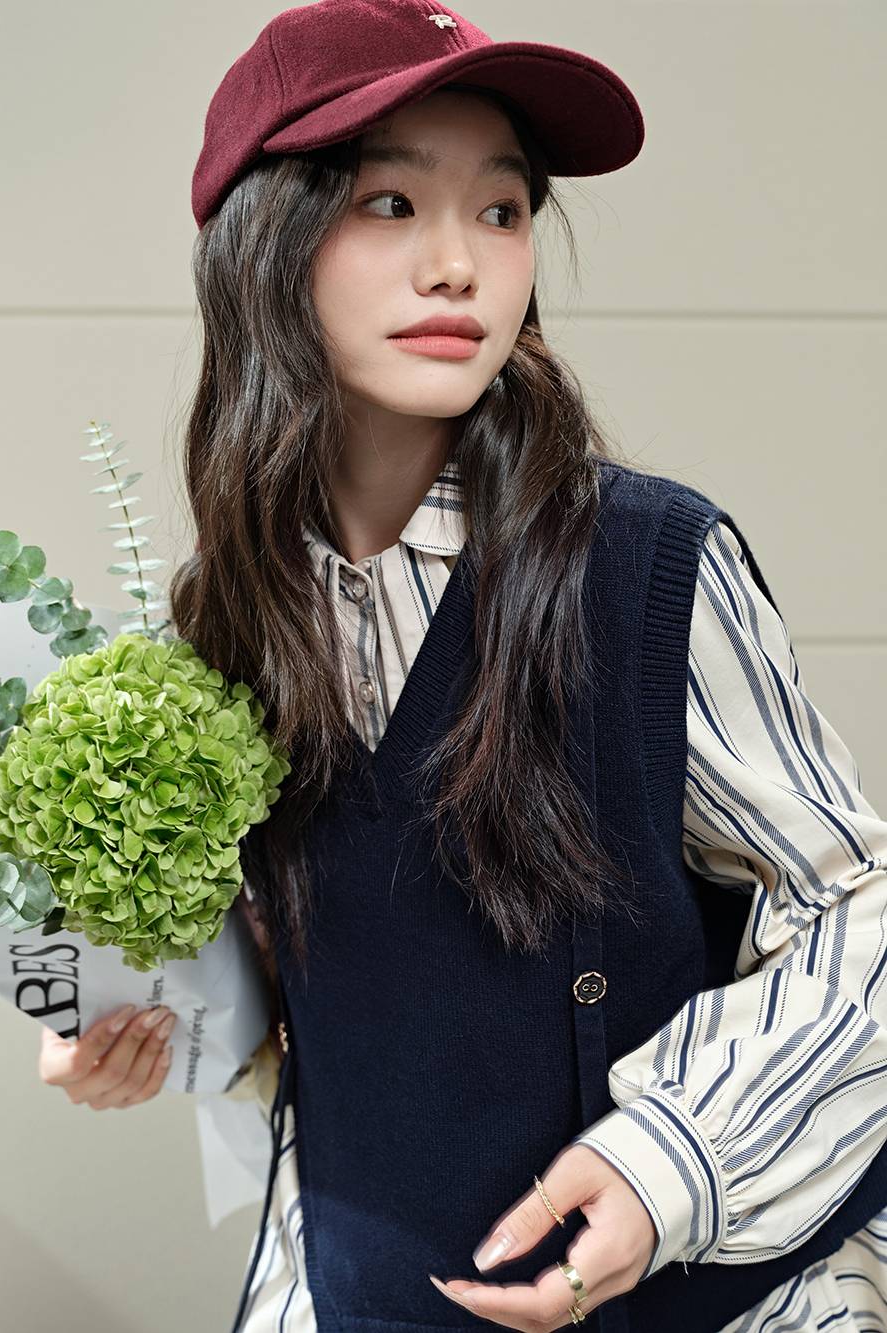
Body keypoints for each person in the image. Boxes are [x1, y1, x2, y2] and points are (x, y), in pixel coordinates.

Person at [43, 2, 887, 1329]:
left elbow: (855, 909)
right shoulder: (228, 621)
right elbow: (302, 994)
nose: (460, 265)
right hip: (362, 1288)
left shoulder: (648, 565)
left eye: (501, 211)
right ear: (264, 248)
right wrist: (132, 1016)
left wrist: (669, 1164)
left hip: (699, 1299)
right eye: (389, 202)